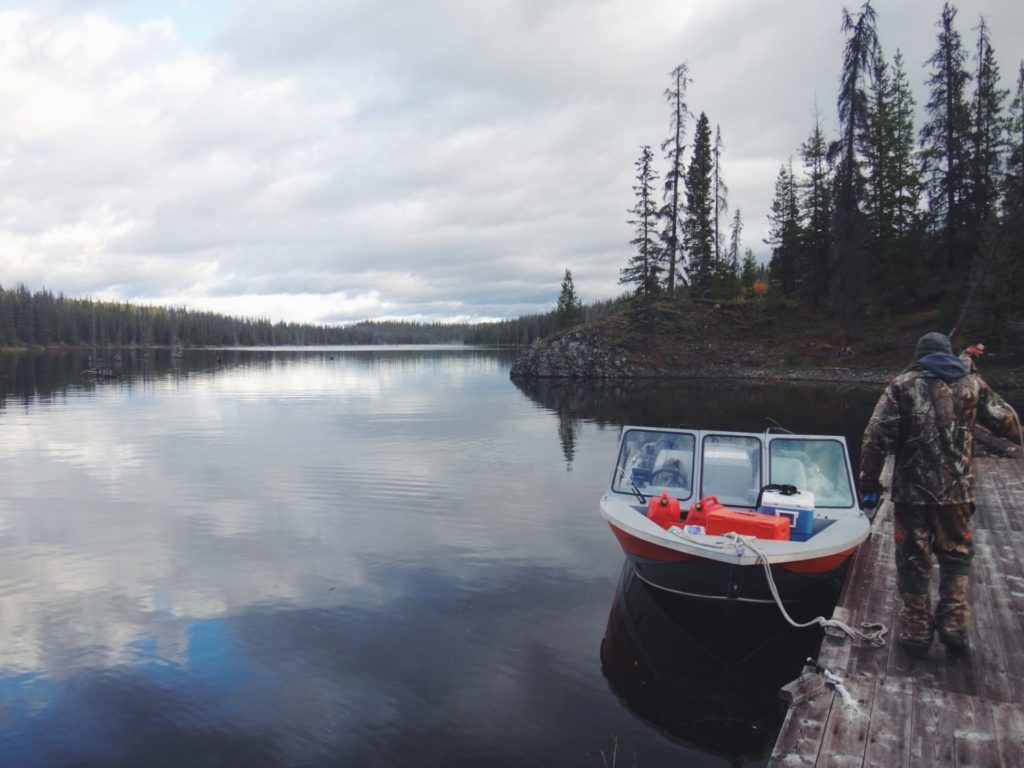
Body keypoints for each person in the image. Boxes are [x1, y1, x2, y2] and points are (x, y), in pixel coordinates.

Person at [859, 332, 1020, 657]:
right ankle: (954, 626)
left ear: (920, 356)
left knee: (914, 561)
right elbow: (1009, 422)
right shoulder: (973, 384)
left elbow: (875, 437)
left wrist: (869, 484)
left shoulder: (902, 386)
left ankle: (917, 632)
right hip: (957, 496)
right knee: (957, 556)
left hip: (911, 496)